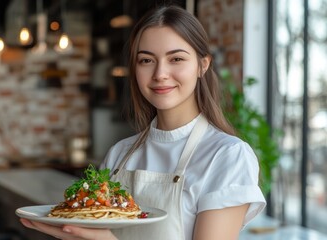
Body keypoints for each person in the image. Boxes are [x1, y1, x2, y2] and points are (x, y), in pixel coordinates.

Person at [20, 5, 266, 240]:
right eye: (146, 60)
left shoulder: (227, 156)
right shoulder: (120, 155)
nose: (160, 73)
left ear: (203, 65)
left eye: (176, 59)